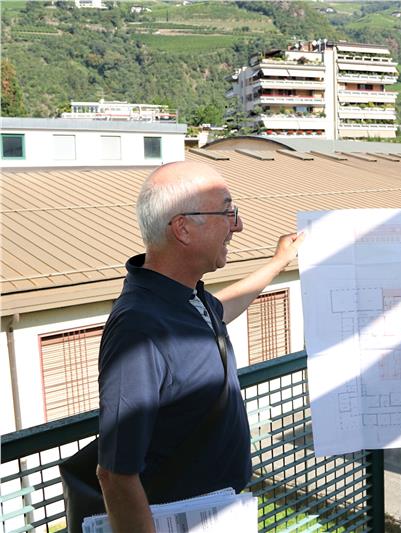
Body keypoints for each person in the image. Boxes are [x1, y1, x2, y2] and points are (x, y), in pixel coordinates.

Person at [96, 160, 303, 532]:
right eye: (227, 212)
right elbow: (115, 474)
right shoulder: (139, 327)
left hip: (219, 512)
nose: (238, 225)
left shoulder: (187, 298)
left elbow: (224, 308)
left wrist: (279, 262)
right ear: (183, 228)